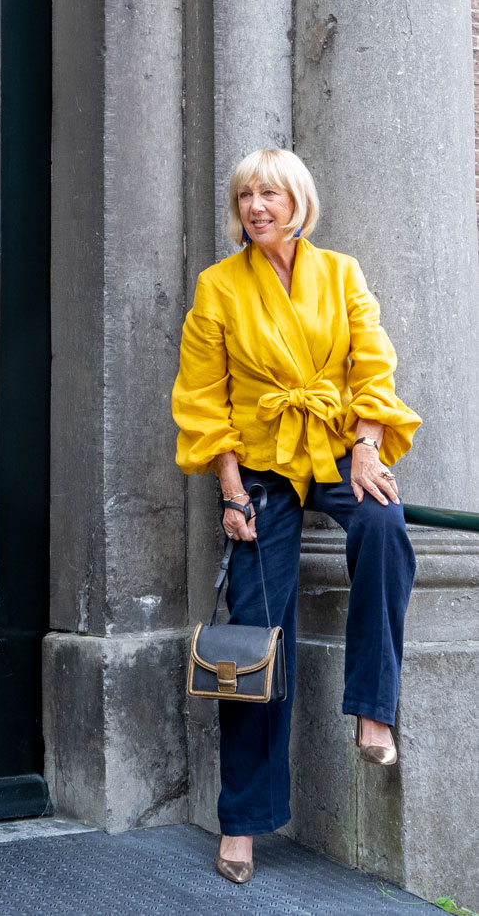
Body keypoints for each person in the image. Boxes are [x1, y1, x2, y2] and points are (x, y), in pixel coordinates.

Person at [171, 148, 421, 885]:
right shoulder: (217, 286)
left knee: (384, 524)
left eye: (270, 193)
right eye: (245, 194)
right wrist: (229, 487)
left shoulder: (339, 273)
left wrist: (368, 449)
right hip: (259, 462)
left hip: (338, 445)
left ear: (297, 202)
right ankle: (243, 819)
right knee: (253, 624)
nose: (256, 205)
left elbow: (371, 363)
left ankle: (372, 708)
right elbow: (201, 394)